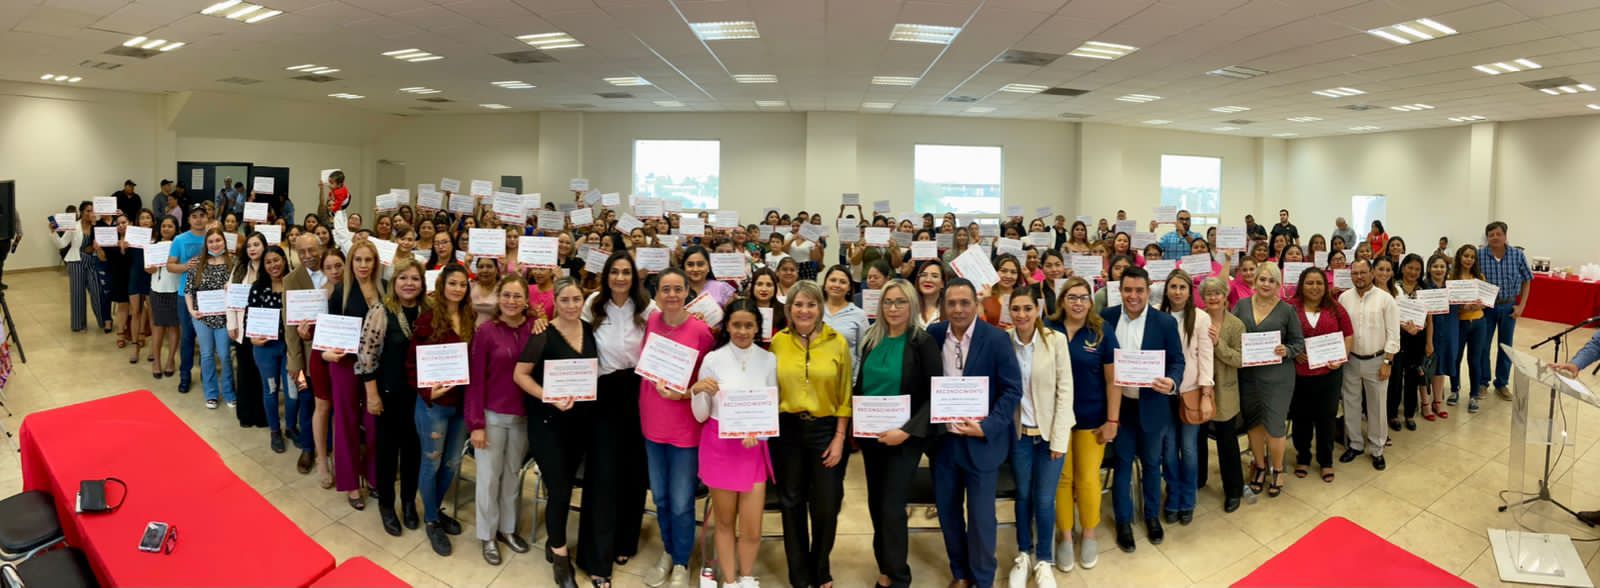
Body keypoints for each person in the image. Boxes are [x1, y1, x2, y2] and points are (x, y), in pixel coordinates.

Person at [925, 277, 1022, 588]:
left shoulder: (996, 339)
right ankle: (960, 573)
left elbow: (1012, 390)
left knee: (981, 519)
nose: (958, 309)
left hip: (981, 443)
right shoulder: (933, 335)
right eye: (951, 303)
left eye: (964, 302)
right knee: (948, 513)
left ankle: (982, 579)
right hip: (944, 443)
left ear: (976, 304)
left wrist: (986, 427)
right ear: (944, 306)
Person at [852, 278, 940, 587]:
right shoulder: (871, 340)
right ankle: (886, 570)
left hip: (904, 440)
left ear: (911, 305)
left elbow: (935, 395)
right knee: (877, 506)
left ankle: (900, 577)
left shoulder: (922, 342)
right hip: (872, 437)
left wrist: (906, 432)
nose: (893, 307)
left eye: (900, 301)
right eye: (888, 301)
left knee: (891, 507)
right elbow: (862, 386)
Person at [770, 280, 852, 588]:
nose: (804, 310)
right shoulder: (778, 342)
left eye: (811, 304)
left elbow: (845, 394)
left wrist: (840, 437)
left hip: (826, 430)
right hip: (787, 429)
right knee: (791, 502)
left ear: (820, 308)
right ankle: (799, 575)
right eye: (798, 304)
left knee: (826, 505)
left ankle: (821, 568)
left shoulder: (837, 342)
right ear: (789, 309)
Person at [690, 298, 777, 588]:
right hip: (719, 447)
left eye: (748, 325)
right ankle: (729, 580)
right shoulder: (712, 359)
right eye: (736, 324)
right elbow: (701, 415)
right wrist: (698, 392)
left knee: (752, 526)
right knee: (725, 522)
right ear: (727, 326)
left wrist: (760, 434)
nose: (742, 331)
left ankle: (747, 576)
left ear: (757, 328)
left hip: (753, 449)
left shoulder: (768, 359)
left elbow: (771, 407)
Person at [514, 277, 594, 587]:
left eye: (577, 299)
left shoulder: (590, 330)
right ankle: (560, 556)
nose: (572, 305)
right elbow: (520, 375)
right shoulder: (542, 334)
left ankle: (553, 537)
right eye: (565, 300)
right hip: (547, 424)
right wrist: (548, 396)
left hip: (578, 424)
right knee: (560, 489)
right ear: (555, 303)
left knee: (563, 486)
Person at [577, 252, 652, 586]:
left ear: (634, 277)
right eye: (615, 272)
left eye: (626, 272)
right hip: (603, 394)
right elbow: (573, 336)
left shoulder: (647, 308)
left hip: (638, 393)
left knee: (633, 472)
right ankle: (597, 558)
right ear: (606, 275)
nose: (620, 277)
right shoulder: (593, 304)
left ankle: (624, 541)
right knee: (603, 474)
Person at [640, 268, 714, 588]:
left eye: (677, 289)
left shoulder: (701, 332)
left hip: (685, 428)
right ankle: (668, 551)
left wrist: (682, 394)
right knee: (660, 498)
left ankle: (682, 561)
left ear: (687, 293)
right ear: (656, 294)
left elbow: (708, 383)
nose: (671, 295)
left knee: (682, 501)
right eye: (665, 289)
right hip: (652, 423)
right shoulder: (652, 322)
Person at [1102, 266, 1184, 553]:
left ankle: (1151, 516)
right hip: (1120, 407)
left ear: (1149, 291)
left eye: (1139, 290)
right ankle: (1123, 521)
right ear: (1120, 291)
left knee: (1151, 464)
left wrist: (1172, 381)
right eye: (1128, 290)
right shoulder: (1107, 317)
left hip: (1153, 405)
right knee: (1122, 464)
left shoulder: (1165, 322)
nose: (1133, 296)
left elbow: (1177, 361)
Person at [1045, 277, 1117, 571]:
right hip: (1056, 420)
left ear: (1091, 301)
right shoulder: (1048, 329)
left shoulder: (1102, 331)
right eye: (1072, 297)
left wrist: (1112, 420)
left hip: (1092, 419)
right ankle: (1065, 534)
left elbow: (1113, 380)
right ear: (1062, 301)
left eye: (1083, 297)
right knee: (1062, 480)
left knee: (1087, 478)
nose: (1077, 302)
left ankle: (1088, 533)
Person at [353, 259, 427, 537]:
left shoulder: (429, 311)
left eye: (415, 279)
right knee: (386, 453)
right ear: (394, 282)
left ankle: (408, 502)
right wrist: (372, 394)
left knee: (413, 452)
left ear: (422, 284)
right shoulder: (381, 311)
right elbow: (366, 356)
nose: (409, 283)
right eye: (403, 278)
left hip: (420, 398)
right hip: (388, 395)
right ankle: (386, 505)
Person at [1004, 291, 1074, 587]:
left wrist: (1059, 439)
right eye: (1015, 309)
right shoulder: (1004, 341)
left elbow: (1065, 390)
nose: (1021, 315)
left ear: (1038, 309)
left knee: (1045, 499)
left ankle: (1044, 560)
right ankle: (1024, 554)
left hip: (1049, 435)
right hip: (1019, 435)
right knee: (1023, 495)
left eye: (1027, 308)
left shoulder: (1055, 340)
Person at [413, 264, 473, 555]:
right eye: (453, 283)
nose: (458, 289)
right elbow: (412, 363)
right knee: (431, 463)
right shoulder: (427, 319)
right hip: (434, 405)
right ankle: (432, 520)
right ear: (442, 286)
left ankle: (434, 509)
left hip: (461, 404)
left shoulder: (470, 318)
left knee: (452, 462)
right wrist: (428, 391)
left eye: (463, 284)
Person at [1233, 263, 1302, 496]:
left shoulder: (1287, 310)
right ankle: (1260, 466)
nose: (1266, 284)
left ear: (1278, 285)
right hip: (1248, 375)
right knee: (1254, 423)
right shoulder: (1242, 305)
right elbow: (1231, 332)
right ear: (1255, 281)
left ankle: (1278, 469)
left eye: (1271, 280)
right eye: (1262, 279)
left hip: (1278, 377)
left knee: (1274, 424)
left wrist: (1287, 350)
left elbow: (1298, 343)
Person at [1288, 268, 1352, 483]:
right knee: (1301, 417)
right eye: (1309, 283)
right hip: (1300, 374)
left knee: (1326, 418)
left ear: (1325, 286)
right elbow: (1283, 336)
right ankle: (1303, 456)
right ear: (1301, 285)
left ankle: (1326, 460)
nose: (1314, 287)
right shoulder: (1290, 308)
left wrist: (1341, 357)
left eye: (1319, 283)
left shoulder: (1336, 308)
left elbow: (1348, 335)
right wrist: (1294, 352)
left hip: (1329, 373)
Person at [1159, 269, 1213, 519]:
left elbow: (1206, 358)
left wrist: (1206, 394)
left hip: (1191, 392)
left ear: (1190, 292)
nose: (1177, 292)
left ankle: (1188, 498)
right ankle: (1173, 495)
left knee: (1189, 449)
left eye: (1182, 287)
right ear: (1166, 290)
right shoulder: (1157, 315)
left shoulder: (1201, 318)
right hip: (1163, 394)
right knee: (1169, 450)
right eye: (1173, 287)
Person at [1337, 259, 1400, 470]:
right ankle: (1355, 444)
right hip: (1351, 360)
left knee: (1377, 406)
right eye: (1355, 273)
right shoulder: (1344, 298)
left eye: (1363, 272)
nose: (1359, 277)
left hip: (1377, 360)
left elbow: (1393, 334)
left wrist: (1387, 362)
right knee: (1351, 403)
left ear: (1372, 273)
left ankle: (1377, 449)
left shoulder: (1386, 299)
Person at [1196, 277, 1245, 511]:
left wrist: (1218, 344)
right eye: (1209, 294)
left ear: (1225, 296)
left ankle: (1233, 490)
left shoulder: (1236, 325)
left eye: (1218, 293)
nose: (1213, 297)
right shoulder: (1197, 319)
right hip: (1197, 390)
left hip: (1225, 391)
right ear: (1202, 297)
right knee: (1197, 439)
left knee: (1227, 442)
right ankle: (1198, 479)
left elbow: (1240, 359)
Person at [284, 234, 329, 474]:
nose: (308, 256)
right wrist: (294, 362)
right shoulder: (291, 280)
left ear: (321, 248)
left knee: (329, 403)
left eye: (312, 250)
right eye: (302, 252)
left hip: (332, 354)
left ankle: (327, 445)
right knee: (305, 400)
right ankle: (307, 448)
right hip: (302, 358)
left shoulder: (335, 272)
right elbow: (289, 326)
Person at [1478, 221, 1532, 402]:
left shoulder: (1517, 255)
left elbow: (1527, 280)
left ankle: (1501, 383)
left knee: (1506, 346)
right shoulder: (1479, 255)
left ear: (1505, 235)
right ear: (1487, 237)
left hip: (1509, 306)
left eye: (1498, 234)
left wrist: (1521, 306)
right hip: (1486, 307)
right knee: (1483, 345)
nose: (1495, 237)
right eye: (1491, 234)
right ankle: (1483, 382)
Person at [185, 228, 238, 411]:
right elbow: (188, 290)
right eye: (211, 241)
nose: (215, 244)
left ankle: (229, 392)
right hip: (202, 318)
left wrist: (231, 287)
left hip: (225, 318)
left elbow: (241, 289)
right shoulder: (198, 263)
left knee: (224, 355)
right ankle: (211, 393)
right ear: (206, 244)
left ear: (224, 242)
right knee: (207, 355)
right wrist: (191, 311)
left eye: (218, 240)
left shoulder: (233, 264)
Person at [248, 245, 293, 453]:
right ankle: (275, 430)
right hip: (265, 349)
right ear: (263, 266)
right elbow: (250, 317)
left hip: (292, 349)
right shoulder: (257, 288)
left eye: (276, 260)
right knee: (271, 390)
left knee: (294, 391)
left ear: (284, 260)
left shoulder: (294, 285)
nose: (273, 265)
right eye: (268, 262)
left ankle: (291, 427)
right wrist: (253, 337)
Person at [167, 203, 212, 394]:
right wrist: (186, 266)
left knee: (207, 337)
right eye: (194, 216)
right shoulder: (179, 239)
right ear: (188, 219)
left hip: (209, 295)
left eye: (202, 215)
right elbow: (170, 265)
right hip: (185, 294)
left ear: (207, 217)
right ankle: (185, 375)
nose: (199, 219)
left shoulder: (213, 237)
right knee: (187, 337)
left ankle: (205, 373)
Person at [1387, 254, 1433, 431]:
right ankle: (1392, 414)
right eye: (1410, 267)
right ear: (1403, 267)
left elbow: (1429, 319)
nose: (1413, 272)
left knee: (1413, 375)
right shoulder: (1393, 286)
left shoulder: (1424, 289)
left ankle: (1409, 414)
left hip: (1417, 338)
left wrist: (1429, 342)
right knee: (1396, 376)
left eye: (1417, 269)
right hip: (1397, 336)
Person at [1449, 245, 1489, 412]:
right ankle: (1454, 390)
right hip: (1459, 323)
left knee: (1475, 360)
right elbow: (1449, 304)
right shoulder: (1452, 278)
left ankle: (1474, 395)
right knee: (1456, 358)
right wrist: (1462, 307)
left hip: (1478, 323)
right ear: (1459, 257)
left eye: (1472, 257)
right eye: (1466, 256)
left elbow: (1486, 302)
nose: (1469, 259)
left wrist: (1479, 305)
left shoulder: (1479, 277)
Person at [55, 205, 107, 332]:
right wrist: (52, 232)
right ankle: (78, 324)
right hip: (76, 260)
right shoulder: (74, 225)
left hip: (93, 261)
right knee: (77, 293)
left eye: (93, 211)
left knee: (97, 292)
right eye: (88, 211)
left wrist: (95, 225)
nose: (91, 213)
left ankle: (104, 322)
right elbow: (62, 243)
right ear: (82, 212)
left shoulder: (98, 226)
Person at [147, 215, 181, 379]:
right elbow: (147, 269)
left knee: (174, 327)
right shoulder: (153, 245)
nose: (166, 229)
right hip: (157, 290)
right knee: (158, 327)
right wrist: (152, 268)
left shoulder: (179, 245)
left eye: (170, 226)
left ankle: (170, 360)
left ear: (176, 229)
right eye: (164, 226)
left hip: (175, 290)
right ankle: (156, 362)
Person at [1424, 253, 1455, 421]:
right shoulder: (1423, 287)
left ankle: (1438, 401)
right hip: (1427, 333)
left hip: (1446, 331)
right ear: (1429, 268)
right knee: (1424, 368)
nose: (1439, 269)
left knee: (1440, 366)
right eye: (1435, 266)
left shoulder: (1451, 288)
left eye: (1442, 266)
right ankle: (1425, 403)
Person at [821, 265, 868, 363]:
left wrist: (855, 373)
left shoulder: (859, 314)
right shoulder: (814, 311)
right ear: (825, 284)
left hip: (848, 371)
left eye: (843, 282)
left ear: (849, 288)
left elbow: (862, 352)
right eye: (833, 280)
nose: (837, 285)